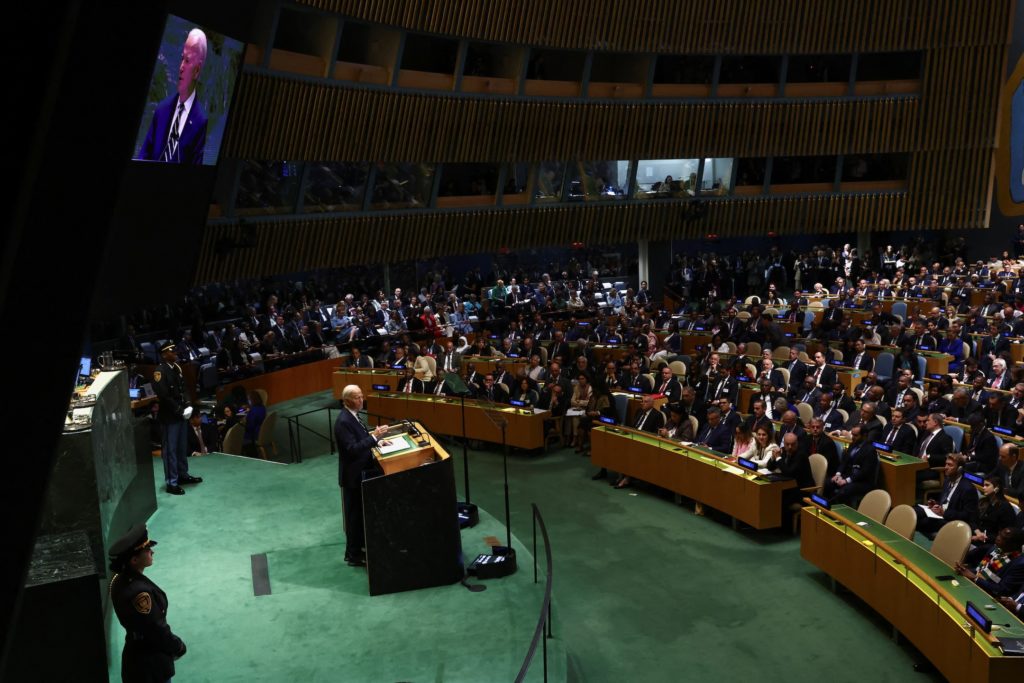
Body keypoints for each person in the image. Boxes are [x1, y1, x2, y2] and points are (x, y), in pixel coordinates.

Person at [108, 524, 187, 682]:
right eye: (146, 549)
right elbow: (156, 628)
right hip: (150, 666)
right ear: (134, 559)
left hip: (135, 659)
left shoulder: (119, 579)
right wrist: (178, 646)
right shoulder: (140, 593)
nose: (152, 551)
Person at [334, 385, 389, 567]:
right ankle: (353, 555)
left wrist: (378, 439)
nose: (361, 400)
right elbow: (352, 449)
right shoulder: (343, 421)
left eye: (361, 396)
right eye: (357, 397)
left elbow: (361, 438)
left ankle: (362, 546)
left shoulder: (353, 416)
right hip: (353, 476)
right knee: (354, 517)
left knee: (360, 515)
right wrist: (374, 438)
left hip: (361, 472)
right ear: (347, 400)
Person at [137, 28, 208, 164]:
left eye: (187, 61)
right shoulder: (162, 110)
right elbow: (143, 157)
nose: (181, 67)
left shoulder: (201, 121)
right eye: (182, 58)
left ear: (197, 71)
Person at [151, 342, 202, 495]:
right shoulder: (160, 371)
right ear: (164, 354)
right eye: (172, 351)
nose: (175, 353)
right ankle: (171, 482)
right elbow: (164, 395)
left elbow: (184, 388)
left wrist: (188, 405)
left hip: (181, 415)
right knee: (170, 450)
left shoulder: (177, 368)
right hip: (170, 417)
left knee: (181, 447)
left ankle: (183, 475)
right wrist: (180, 410)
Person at [242, 390, 267, 457]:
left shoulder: (253, 411)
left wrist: (243, 425)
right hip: (260, 430)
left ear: (252, 400)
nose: (248, 401)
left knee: (239, 437)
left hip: (254, 434)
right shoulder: (262, 407)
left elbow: (250, 427)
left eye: (249, 399)